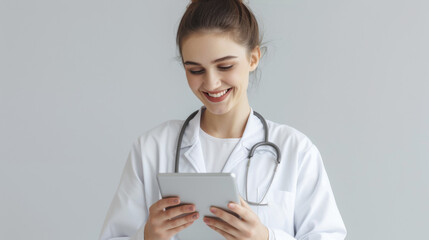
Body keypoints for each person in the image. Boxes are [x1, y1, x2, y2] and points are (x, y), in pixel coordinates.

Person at [99, 0, 347, 239]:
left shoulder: (296, 150)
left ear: (253, 58)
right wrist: (147, 238)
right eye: (195, 70)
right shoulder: (152, 149)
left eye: (225, 66)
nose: (211, 83)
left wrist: (266, 238)